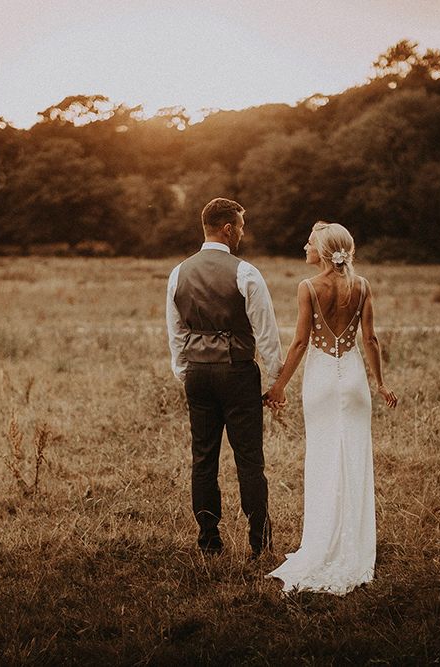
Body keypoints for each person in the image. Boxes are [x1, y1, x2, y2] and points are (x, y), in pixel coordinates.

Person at [264, 221, 398, 594]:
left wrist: (278, 386)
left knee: (324, 459)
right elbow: (369, 338)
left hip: (322, 380)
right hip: (354, 379)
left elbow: (300, 342)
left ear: (322, 251)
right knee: (353, 459)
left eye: (309, 243)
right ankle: (353, 545)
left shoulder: (307, 287)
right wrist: (380, 383)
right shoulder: (363, 285)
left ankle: (324, 543)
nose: (303, 247)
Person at [166, 198, 283, 558]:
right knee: (249, 460)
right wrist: (274, 379)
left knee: (203, 458)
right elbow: (266, 333)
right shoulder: (245, 272)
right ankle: (258, 544)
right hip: (237, 373)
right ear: (228, 229)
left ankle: (208, 540)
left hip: (197, 375)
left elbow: (176, 332)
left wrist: (187, 371)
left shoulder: (178, 272)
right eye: (242, 228)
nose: (243, 235)